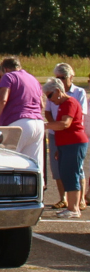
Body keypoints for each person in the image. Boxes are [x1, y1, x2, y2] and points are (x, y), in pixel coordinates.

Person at [0, 57, 46, 170]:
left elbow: (3, 100)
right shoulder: (33, 78)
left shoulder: (8, 77)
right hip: (38, 123)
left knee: (9, 163)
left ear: (5, 69)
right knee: (33, 166)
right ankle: (37, 187)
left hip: (19, 123)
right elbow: (41, 104)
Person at [43, 79, 87, 219]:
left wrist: (45, 126)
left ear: (58, 91)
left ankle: (74, 208)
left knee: (72, 174)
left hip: (74, 143)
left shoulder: (70, 103)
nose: (49, 99)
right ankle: (71, 206)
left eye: (50, 95)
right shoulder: (63, 104)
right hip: (66, 144)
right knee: (66, 174)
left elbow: (65, 124)